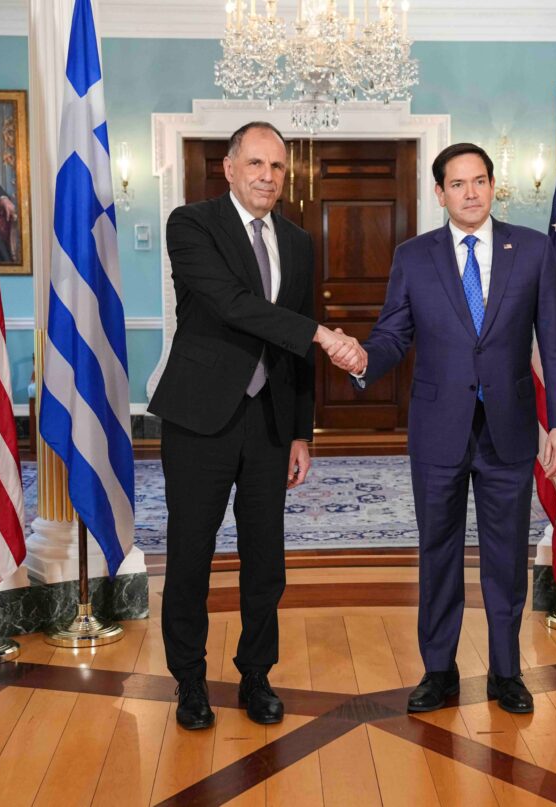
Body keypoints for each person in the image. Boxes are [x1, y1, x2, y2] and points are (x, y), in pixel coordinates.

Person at [345, 143, 556, 714]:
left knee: (506, 555)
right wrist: (363, 359)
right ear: (440, 193)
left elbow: (555, 342)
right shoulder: (413, 256)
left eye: (479, 181)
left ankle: (506, 672)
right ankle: (438, 671)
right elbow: (393, 334)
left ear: (494, 185)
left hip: (509, 427)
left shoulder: (532, 249)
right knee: (438, 552)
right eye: (457, 184)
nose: (470, 193)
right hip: (438, 429)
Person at [148, 121, 363, 730]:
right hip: (200, 418)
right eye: (256, 164)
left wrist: (301, 432)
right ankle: (190, 680)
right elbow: (232, 304)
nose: (268, 177)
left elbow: (294, 347)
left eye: (277, 167)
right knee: (191, 553)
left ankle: (256, 674)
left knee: (266, 558)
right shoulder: (191, 225)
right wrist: (323, 335)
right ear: (229, 168)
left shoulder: (297, 240)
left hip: (270, 421)